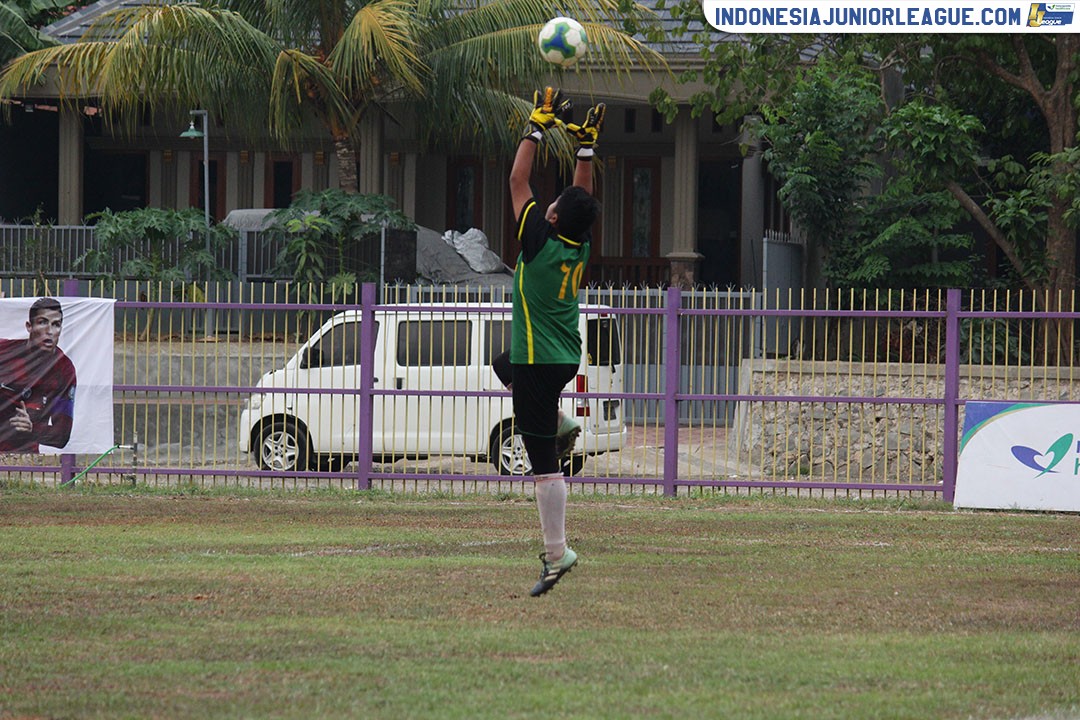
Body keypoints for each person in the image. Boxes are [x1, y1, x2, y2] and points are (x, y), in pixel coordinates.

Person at [507, 87, 604, 597]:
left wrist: (536, 125)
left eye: (552, 204)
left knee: (541, 463)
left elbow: (518, 178)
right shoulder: (576, 242)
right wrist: (583, 148)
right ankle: (563, 422)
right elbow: (580, 201)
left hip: (540, 361)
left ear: (549, 217)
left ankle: (556, 551)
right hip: (562, 356)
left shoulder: (538, 241)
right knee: (500, 361)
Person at [0, 297, 77, 452]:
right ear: (29, 326)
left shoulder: (64, 370)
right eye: (43, 322)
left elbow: (61, 435)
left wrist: (31, 429)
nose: (49, 331)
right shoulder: (5, 351)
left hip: (21, 457)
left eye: (56, 324)